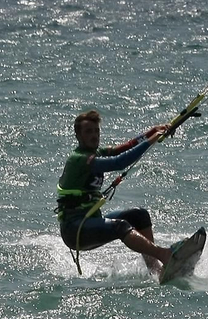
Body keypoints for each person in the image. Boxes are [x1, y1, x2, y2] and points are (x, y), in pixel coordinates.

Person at [57, 110, 178, 272]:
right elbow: (118, 162)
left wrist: (153, 131)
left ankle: (156, 270)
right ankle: (165, 255)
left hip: (90, 222)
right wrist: (152, 139)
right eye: (88, 132)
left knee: (139, 215)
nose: (94, 135)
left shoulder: (95, 153)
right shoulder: (79, 159)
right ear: (78, 136)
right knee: (121, 226)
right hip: (75, 230)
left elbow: (126, 147)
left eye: (96, 131)